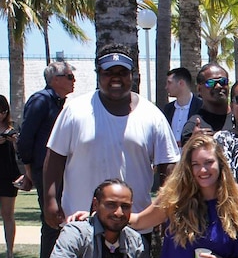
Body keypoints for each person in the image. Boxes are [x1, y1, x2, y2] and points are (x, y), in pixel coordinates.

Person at [42, 45, 180, 241]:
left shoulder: (152, 115)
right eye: (109, 72)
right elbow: (54, 159)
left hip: (134, 229)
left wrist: (162, 211)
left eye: (122, 72)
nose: (116, 78)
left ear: (133, 75)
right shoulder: (75, 111)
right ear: (98, 74)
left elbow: (169, 168)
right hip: (80, 226)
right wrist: (50, 201)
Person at [17, 60, 76, 258]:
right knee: (52, 223)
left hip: (60, 171)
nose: (74, 81)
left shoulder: (61, 103)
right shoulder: (41, 100)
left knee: (61, 222)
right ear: (55, 80)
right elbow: (25, 139)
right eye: (69, 77)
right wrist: (29, 171)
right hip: (45, 171)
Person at [180, 64, 232, 144]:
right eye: (211, 83)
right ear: (199, 89)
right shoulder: (193, 127)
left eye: (223, 81)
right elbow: (186, 155)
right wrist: (193, 143)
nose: (218, 86)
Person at [0, 95, 24, 258]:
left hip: (8, 175)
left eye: (3, 111)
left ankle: (10, 254)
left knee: (8, 215)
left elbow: (21, 152)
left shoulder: (12, 127)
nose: (1, 115)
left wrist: (15, 141)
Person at [162, 67, 202, 144]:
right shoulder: (168, 109)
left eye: (169, 83)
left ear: (181, 83)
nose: (166, 87)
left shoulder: (201, 107)